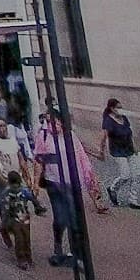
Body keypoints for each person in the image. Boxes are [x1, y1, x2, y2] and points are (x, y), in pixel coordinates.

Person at [31, 108, 100, 268]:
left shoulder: (71, 137)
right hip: (54, 183)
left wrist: (91, 180)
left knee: (75, 221)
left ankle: (77, 254)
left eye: (56, 122)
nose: (53, 125)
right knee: (61, 218)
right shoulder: (44, 136)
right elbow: (39, 160)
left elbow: (82, 158)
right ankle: (58, 248)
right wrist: (35, 183)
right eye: (50, 122)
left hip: (73, 183)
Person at [99, 98, 140, 210]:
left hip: (129, 149)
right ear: (112, 109)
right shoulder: (108, 121)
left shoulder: (124, 118)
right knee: (125, 175)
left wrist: (135, 147)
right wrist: (101, 150)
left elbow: (130, 133)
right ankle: (113, 188)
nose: (120, 110)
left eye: (121, 107)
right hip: (117, 151)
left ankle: (133, 200)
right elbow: (104, 136)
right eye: (118, 108)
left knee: (137, 174)